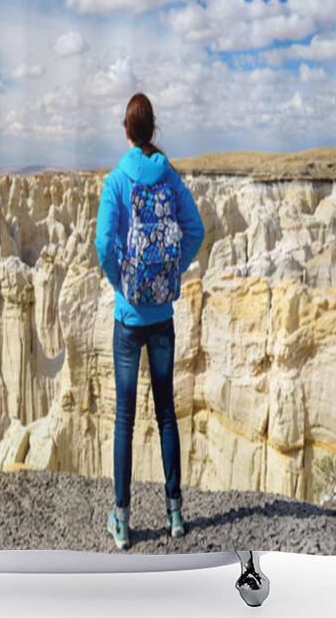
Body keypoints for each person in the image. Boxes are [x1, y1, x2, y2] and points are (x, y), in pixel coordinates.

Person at [95, 93, 205, 551]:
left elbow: (103, 242)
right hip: (162, 316)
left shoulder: (116, 180)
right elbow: (195, 229)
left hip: (128, 316)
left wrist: (121, 282)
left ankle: (122, 520)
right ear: (153, 129)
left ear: (126, 131)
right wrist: (171, 275)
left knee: (124, 417)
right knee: (166, 414)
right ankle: (175, 512)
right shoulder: (171, 177)